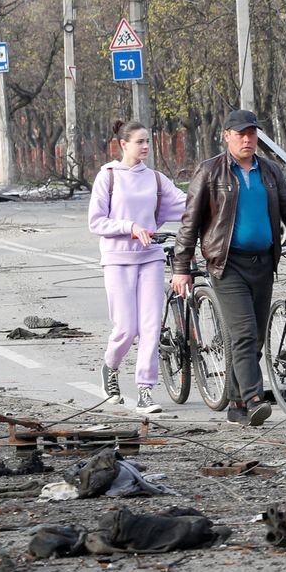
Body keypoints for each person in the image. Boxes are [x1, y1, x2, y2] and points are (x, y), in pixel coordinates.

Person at [173, 110, 286, 426]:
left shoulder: (269, 171)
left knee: (254, 336)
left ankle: (237, 404)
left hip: (264, 263)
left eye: (252, 134)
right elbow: (190, 222)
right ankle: (255, 399)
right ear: (227, 135)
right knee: (242, 333)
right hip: (227, 264)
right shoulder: (210, 172)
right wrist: (181, 266)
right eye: (240, 134)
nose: (247, 139)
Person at [87, 121, 188, 415]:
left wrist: (215, 199)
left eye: (148, 141)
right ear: (123, 145)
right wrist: (129, 226)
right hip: (117, 259)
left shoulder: (156, 179)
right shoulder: (108, 177)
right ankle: (110, 366)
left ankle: (145, 390)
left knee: (150, 328)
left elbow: (186, 204)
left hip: (151, 257)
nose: (145, 146)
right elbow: (96, 222)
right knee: (126, 329)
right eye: (140, 141)